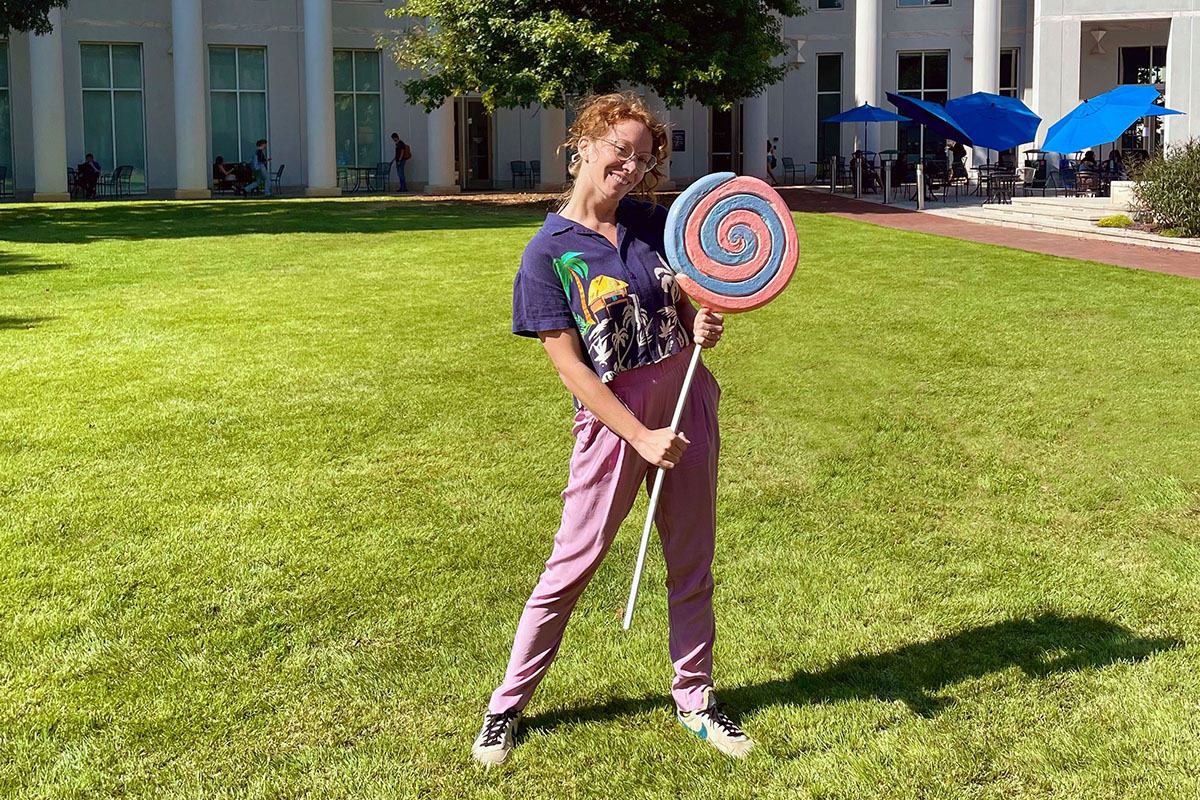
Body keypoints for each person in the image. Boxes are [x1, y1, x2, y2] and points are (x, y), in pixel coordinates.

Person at [471, 92, 749, 767]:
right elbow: (571, 368)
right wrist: (638, 435)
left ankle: (696, 700)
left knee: (691, 560)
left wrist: (705, 319)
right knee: (571, 565)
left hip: (687, 402)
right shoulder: (546, 252)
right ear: (584, 144)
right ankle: (504, 709)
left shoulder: (654, 224)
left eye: (643, 158)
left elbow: (689, 300)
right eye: (619, 150)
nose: (629, 166)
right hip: (614, 425)